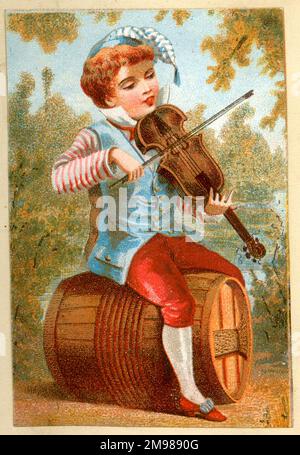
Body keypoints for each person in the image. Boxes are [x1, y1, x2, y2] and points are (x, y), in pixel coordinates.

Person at [52, 26, 245, 422]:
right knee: (177, 300)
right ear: (107, 97)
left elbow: (175, 196)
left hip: (171, 237)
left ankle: (210, 371)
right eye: (130, 83)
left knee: (231, 273)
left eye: (150, 75)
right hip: (130, 244)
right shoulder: (97, 135)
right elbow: (59, 177)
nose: (147, 87)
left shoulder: (163, 128)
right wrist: (110, 158)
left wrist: (204, 211)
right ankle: (189, 393)